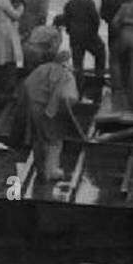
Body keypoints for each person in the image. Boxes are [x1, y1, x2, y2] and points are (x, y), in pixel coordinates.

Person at [21, 49, 79, 181]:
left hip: (34, 107)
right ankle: (52, 170)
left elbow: (27, 84)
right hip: (51, 110)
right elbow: (67, 97)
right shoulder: (66, 75)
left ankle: (40, 169)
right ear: (66, 61)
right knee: (55, 141)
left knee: (37, 139)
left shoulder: (41, 68)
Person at [64, 0, 105, 99]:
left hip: (75, 36)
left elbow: (67, 20)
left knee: (78, 63)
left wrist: (70, 31)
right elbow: (96, 20)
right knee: (100, 53)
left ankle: (79, 87)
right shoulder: (89, 3)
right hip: (88, 35)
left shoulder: (69, 3)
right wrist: (94, 33)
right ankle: (98, 82)